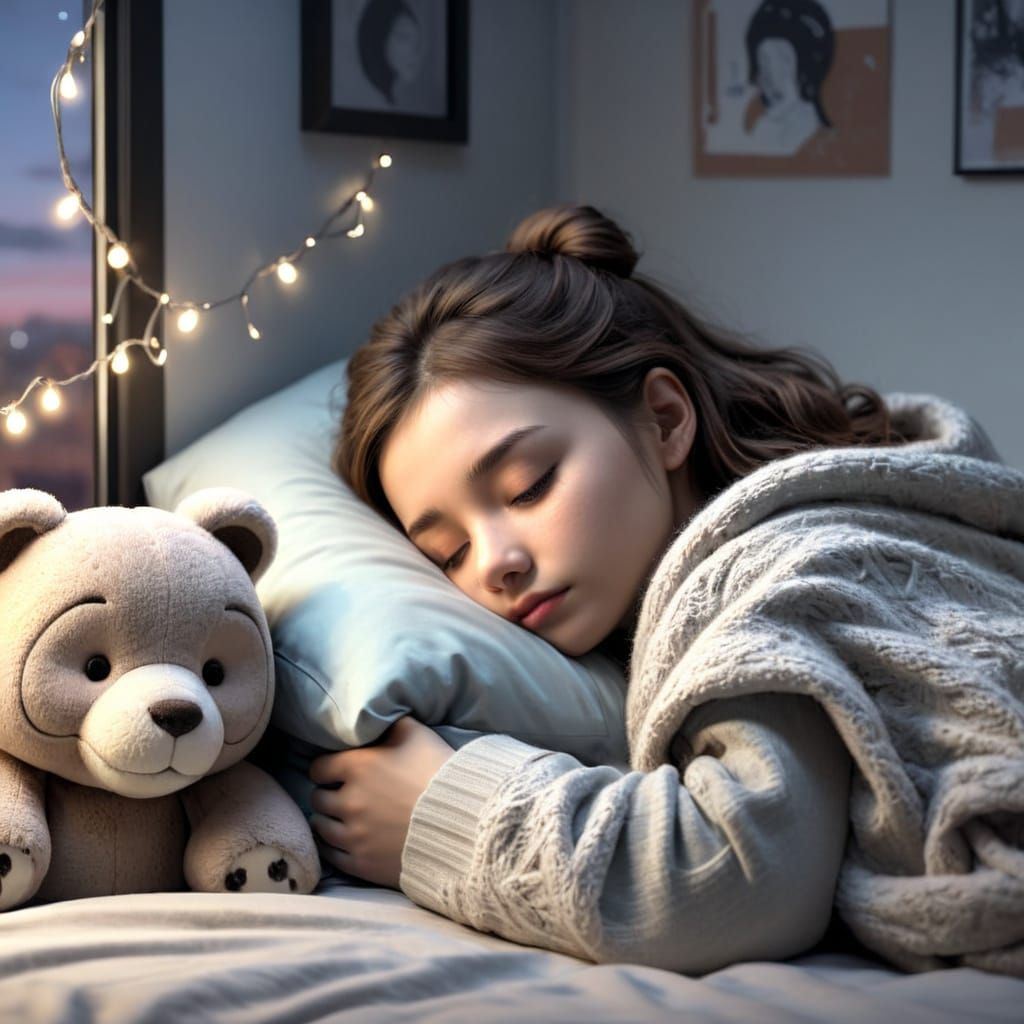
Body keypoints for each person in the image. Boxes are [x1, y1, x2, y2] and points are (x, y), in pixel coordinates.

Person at [307, 204, 1024, 976]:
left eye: (528, 486)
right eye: (448, 553)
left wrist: (443, 810)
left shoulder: (760, 583)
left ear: (664, 418)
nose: (496, 563)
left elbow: (741, 878)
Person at [744, 0, 835, 154]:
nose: (770, 77)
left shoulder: (816, 138)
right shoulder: (762, 130)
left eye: (783, 60)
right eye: (764, 62)